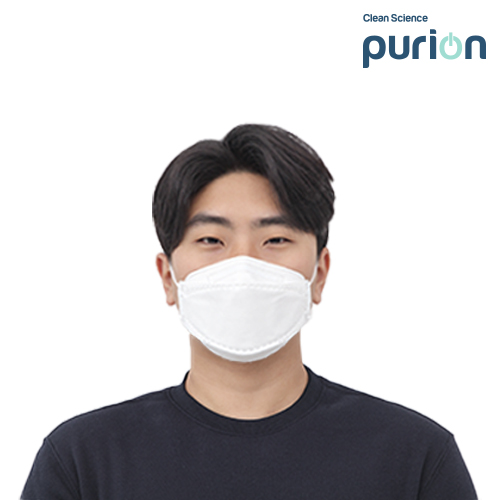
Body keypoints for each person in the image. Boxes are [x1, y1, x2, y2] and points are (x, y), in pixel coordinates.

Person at [21, 124, 477, 499]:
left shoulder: (414, 458)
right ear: (168, 276)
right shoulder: (83, 461)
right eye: (211, 240)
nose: (244, 265)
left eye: (275, 240)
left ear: (319, 273)